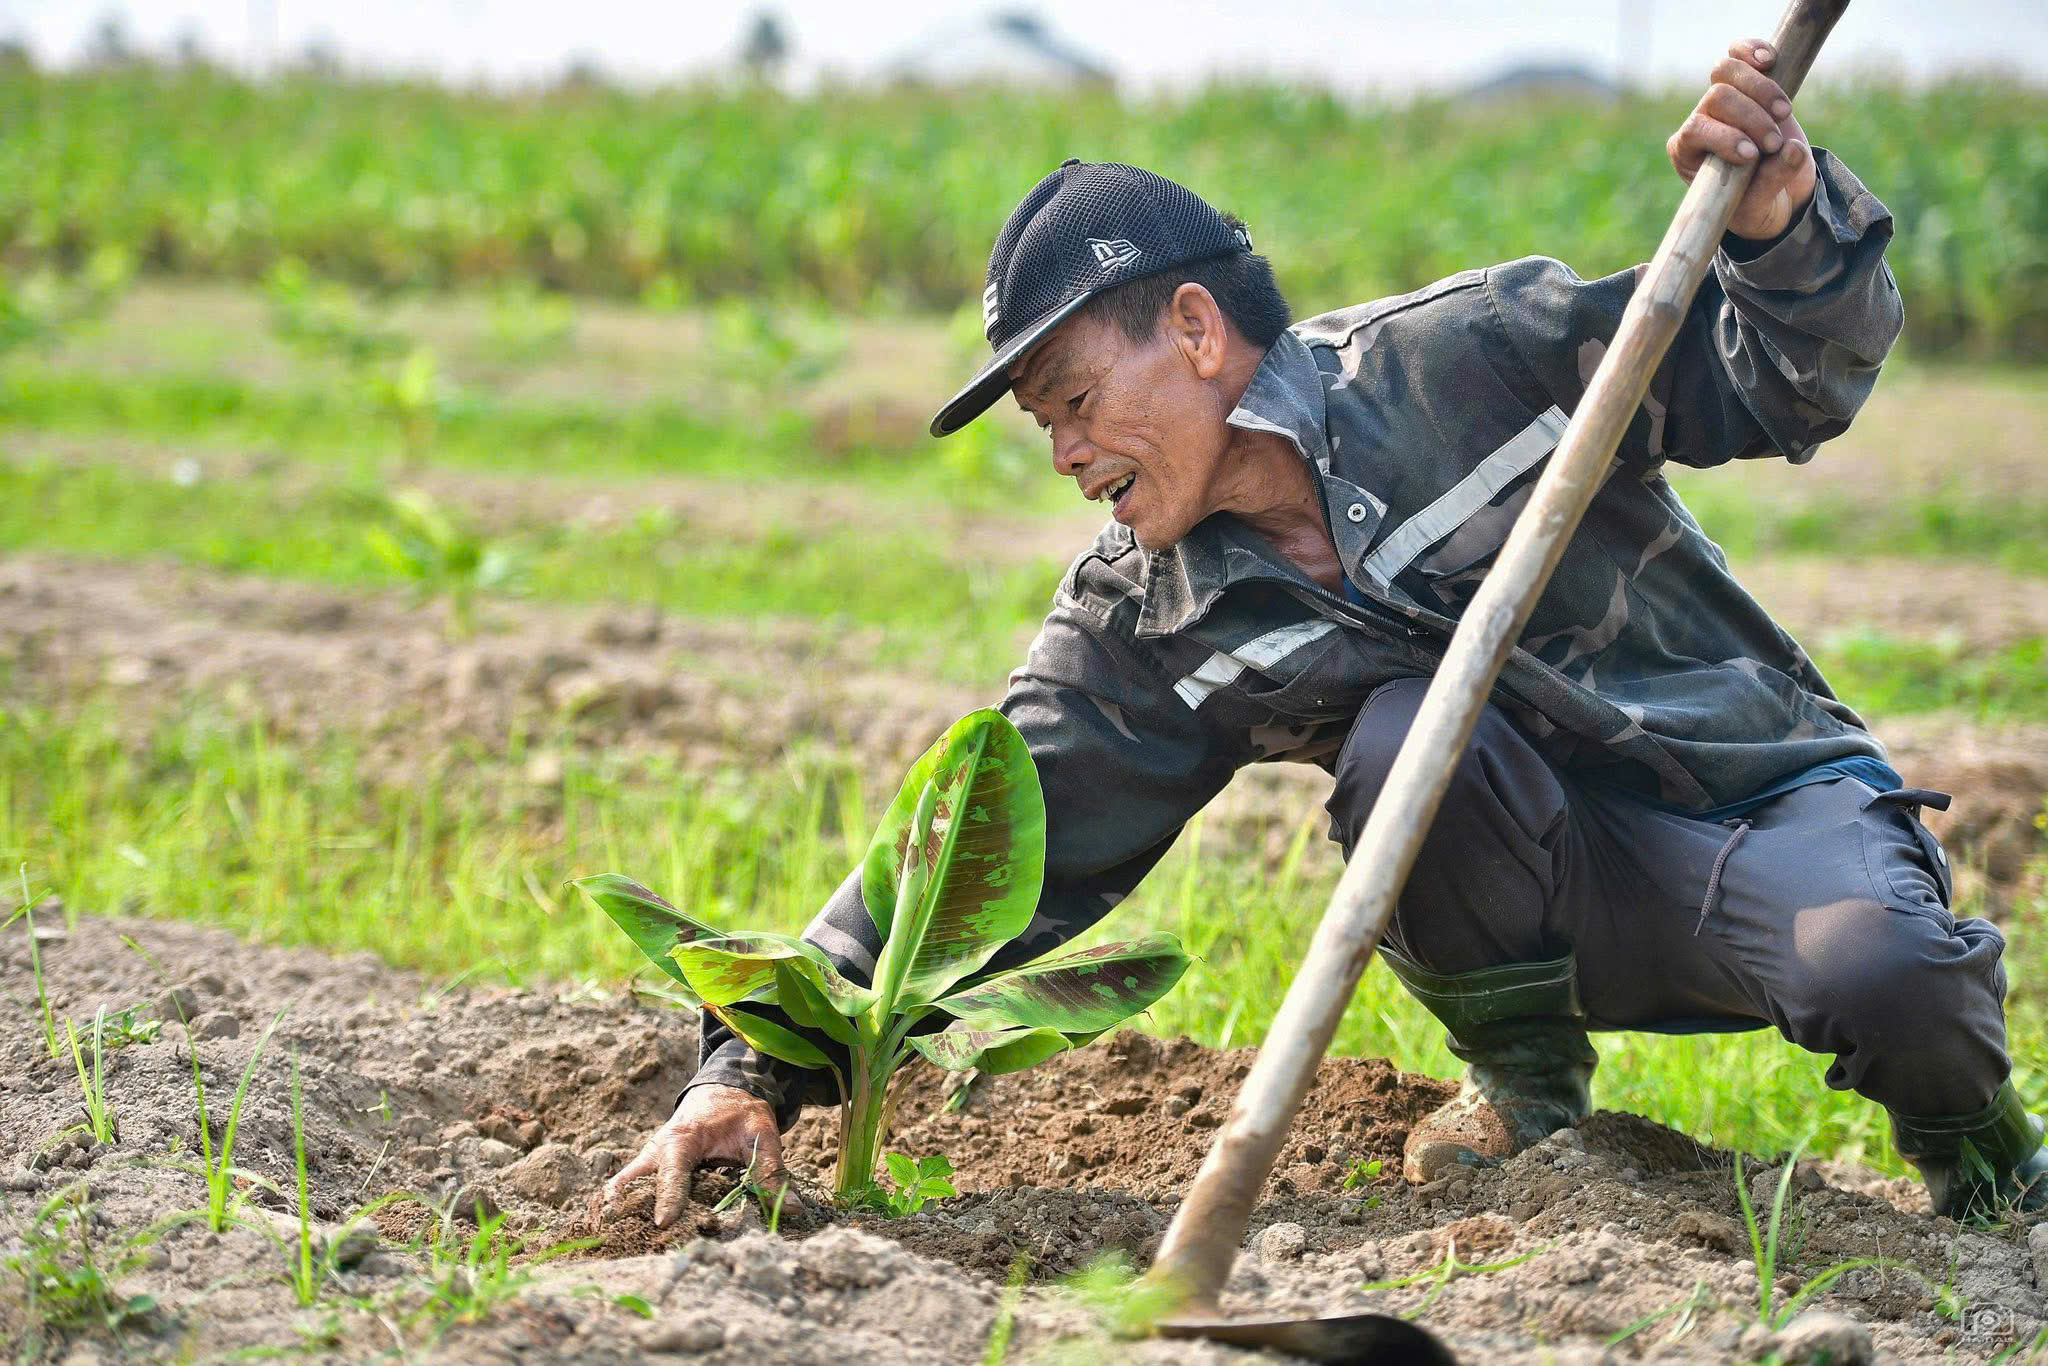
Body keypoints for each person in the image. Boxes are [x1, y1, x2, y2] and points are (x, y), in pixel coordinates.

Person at [601, 37, 2044, 1228]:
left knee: (1886, 971)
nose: (1063, 455)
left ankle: (1982, 1158)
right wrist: (748, 1069)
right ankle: (1533, 1095)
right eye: (1042, 424)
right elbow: (984, 851)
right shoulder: (1150, 617)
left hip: (1757, 804)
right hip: (1542, 903)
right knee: (1407, 727)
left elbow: (1786, 385)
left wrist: (1781, 229)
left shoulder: (1474, 358)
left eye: (1074, 400)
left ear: (1196, 326)